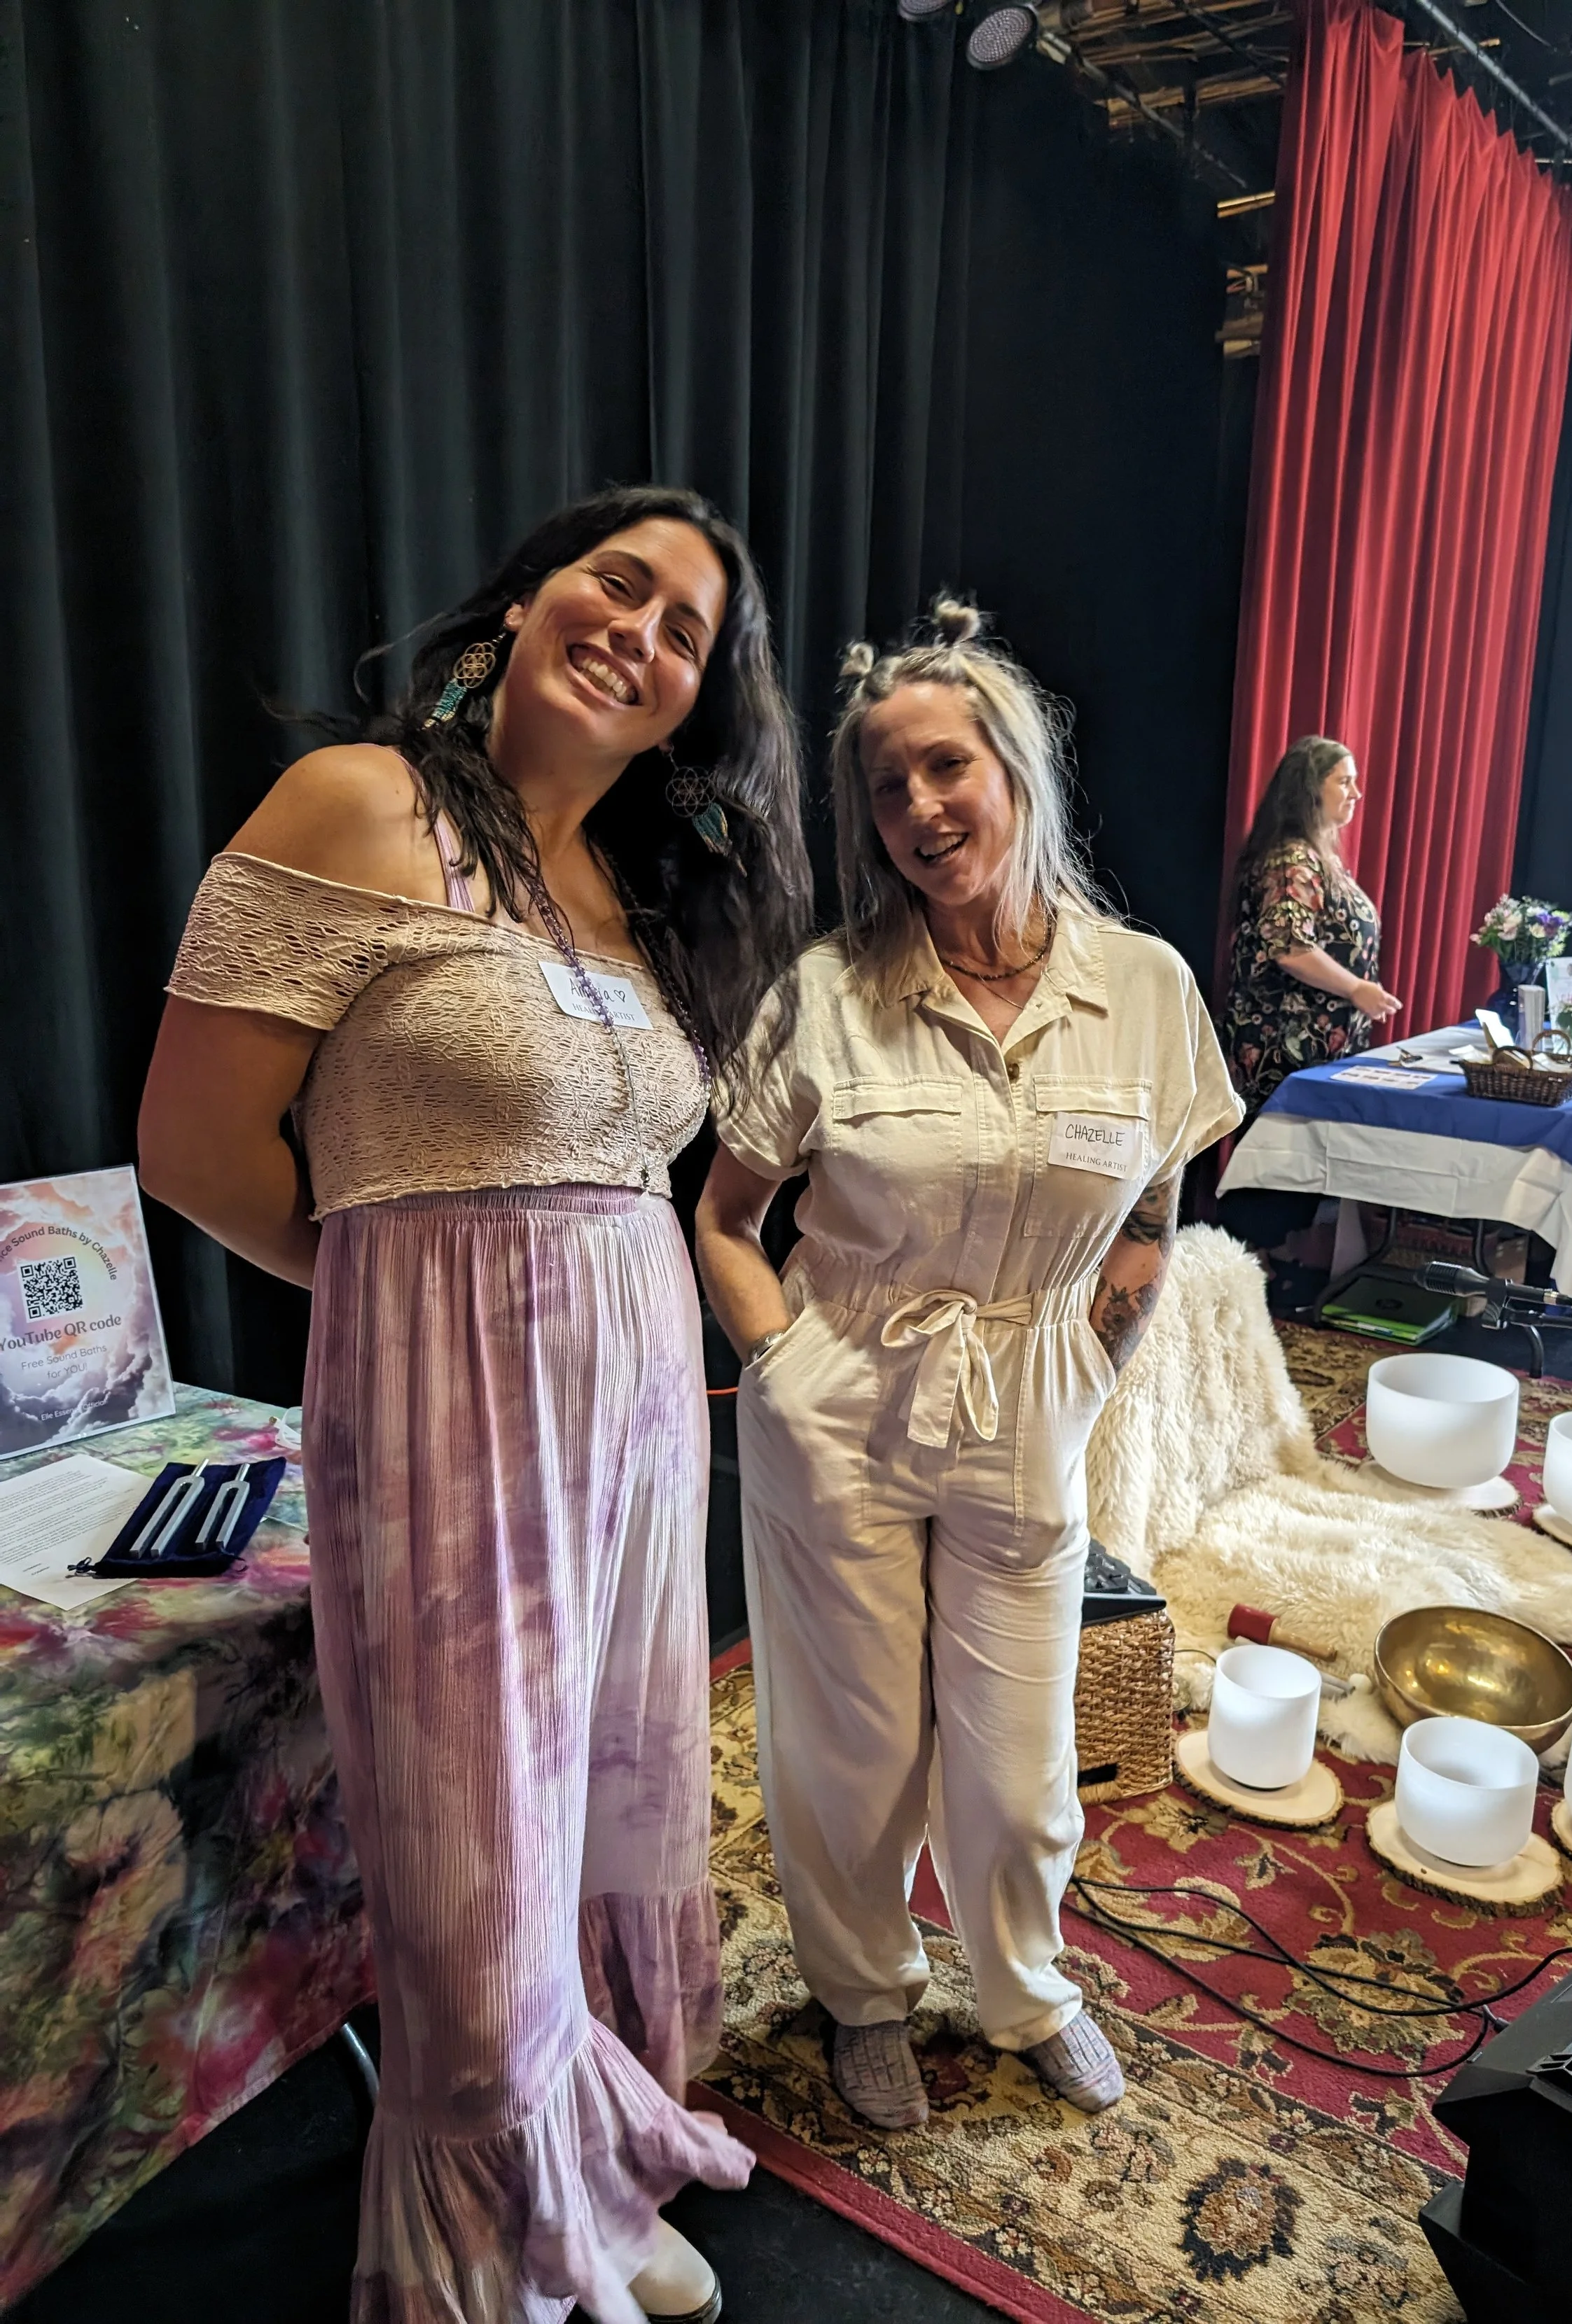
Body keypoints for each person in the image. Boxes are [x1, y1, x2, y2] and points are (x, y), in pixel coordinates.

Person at [138, 486, 811, 2324]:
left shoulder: (635, 893)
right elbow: (193, 1148)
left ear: (692, 701)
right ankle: (479, 2248)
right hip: (449, 1420)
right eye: (620, 582)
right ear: (524, 596)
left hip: (641, 1421)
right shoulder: (361, 808)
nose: (644, 633)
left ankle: (583, 2165)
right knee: (469, 1875)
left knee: (608, 1820)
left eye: (689, 631)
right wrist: (409, 1309)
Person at [693, 601, 1241, 2132]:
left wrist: (1095, 1353)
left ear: (1013, 771)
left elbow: (1151, 1203)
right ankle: (863, 1993)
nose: (921, 809)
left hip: (1028, 1409)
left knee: (1014, 1764)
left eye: (947, 768)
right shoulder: (828, 992)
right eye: (886, 786)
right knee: (852, 1746)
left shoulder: (1141, 985)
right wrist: (786, 1364)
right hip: (847, 1392)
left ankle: (1022, 1987)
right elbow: (727, 1217)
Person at [1216, 735, 1400, 1270]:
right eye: (1344, 781)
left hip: (1314, 1049)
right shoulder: (1293, 858)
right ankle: (1255, 1272)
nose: (1356, 793)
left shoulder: (1320, 856)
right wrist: (1358, 989)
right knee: (1279, 1167)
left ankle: (1286, 1268)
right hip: (1283, 1047)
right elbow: (1289, 946)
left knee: (1299, 1170)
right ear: (1308, 789)